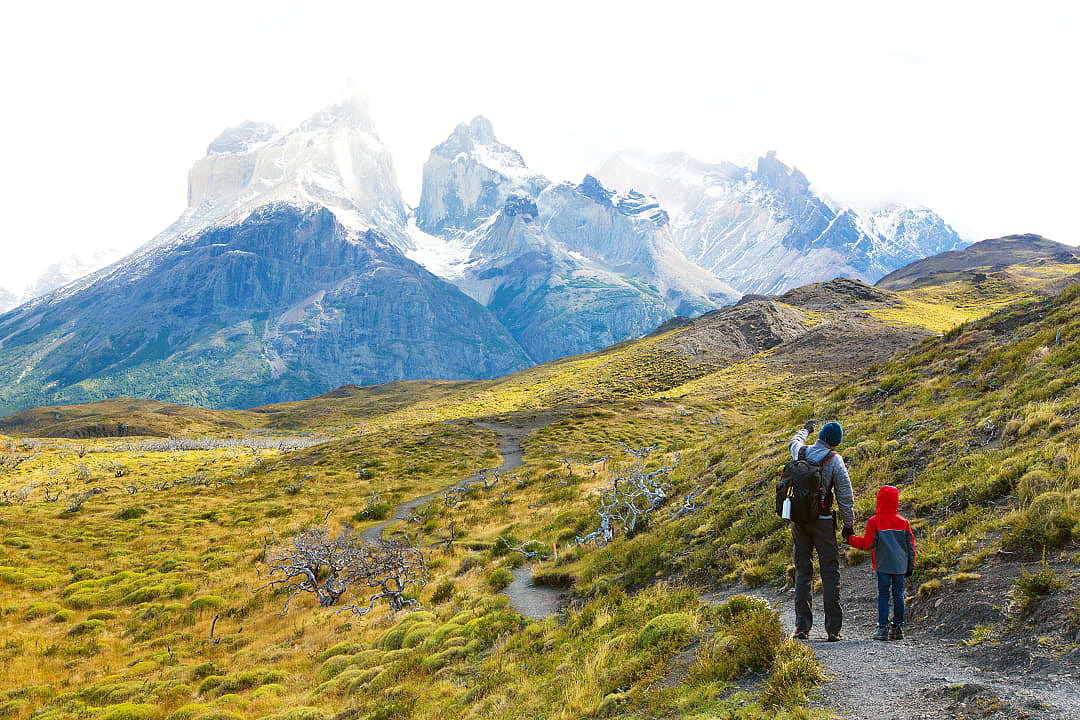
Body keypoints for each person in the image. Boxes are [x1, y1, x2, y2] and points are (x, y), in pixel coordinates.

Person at [789, 420, 855, 642]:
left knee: (803, 571)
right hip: (824, 521)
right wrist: (849, 524)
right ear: (835, 443)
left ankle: (801, 627)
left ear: (820, 437)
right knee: (829, 572)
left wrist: (806, 429)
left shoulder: (801, 451)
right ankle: (833, 630)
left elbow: (794, 441)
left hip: (798, 521)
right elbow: (845, 496)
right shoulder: (834, 460)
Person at [845, 485, 917, 640]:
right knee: (898, 595)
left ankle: (882, 628)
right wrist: (911, 566)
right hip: (900, 566)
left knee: (883, 595)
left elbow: (867, 544)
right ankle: (897, 627)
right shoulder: (903, 523)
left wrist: (850, 538)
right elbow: (910, 547)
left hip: (883, 565)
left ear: (880, 500)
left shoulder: (874, 521)